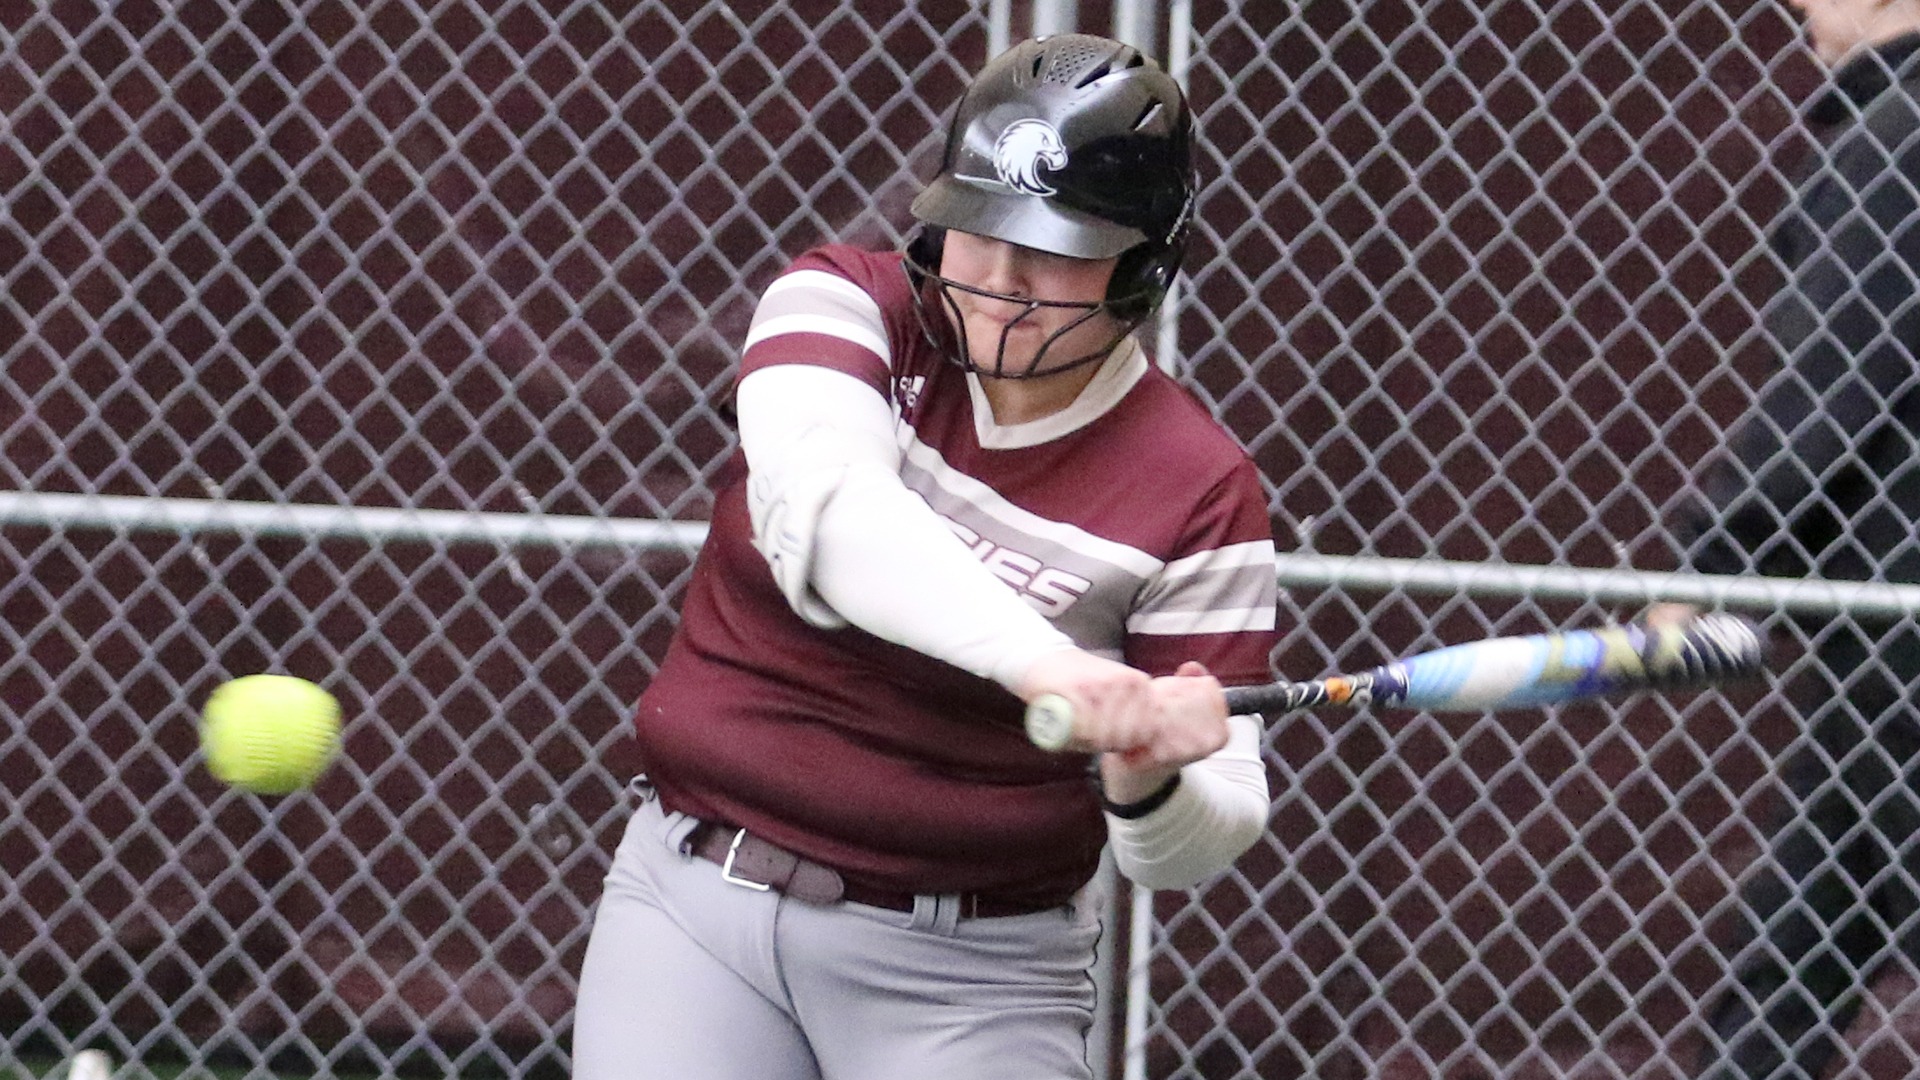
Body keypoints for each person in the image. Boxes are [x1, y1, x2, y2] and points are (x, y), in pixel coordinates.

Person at [571, 35, 1281, 1080]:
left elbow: (1192, 847)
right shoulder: (842, 305)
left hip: (972, 979)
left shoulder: (1199, 487)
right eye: (975, 228)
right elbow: (837, 517)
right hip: (693, 906)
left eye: (1053, 246)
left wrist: (1149, 772)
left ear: (1144, 266)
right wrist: (1054, 666)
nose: (998, 278)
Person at [1665, 3, 1920, 1077]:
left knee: (1814, 916)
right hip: (1885, 626)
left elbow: (1830, 388)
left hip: (1898, 624)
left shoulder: (1896, 133)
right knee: (1807, 921)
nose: (1801, 12)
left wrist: (1713, 567)